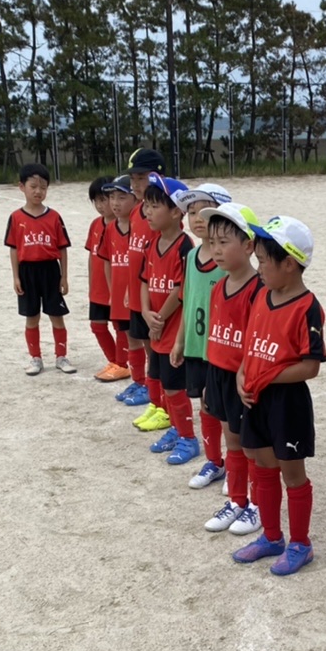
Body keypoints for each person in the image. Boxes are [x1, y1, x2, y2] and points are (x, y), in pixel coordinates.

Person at [232, 216, 325, 576]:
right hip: (255, 398)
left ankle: (301, 544)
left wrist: (268, 376)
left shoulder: (307, 307)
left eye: (263, 262)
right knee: (262, 465)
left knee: (292, 472)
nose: (258, 269)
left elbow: (310, 366)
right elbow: (251, 344)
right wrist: (243, 373)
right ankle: (271, 536)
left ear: (289, 263)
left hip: (287, 403)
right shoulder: (262, 295)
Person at [198, 203, 264, 537]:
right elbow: (215, 335)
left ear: (249, 246)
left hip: (245, 380)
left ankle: (257, 505)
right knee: (232, 441)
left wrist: (248, 376)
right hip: (219, 375)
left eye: (225, 242)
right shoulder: (217, 288)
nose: (217, 249)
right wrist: (209, 379)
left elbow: (259, 341)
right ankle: (238, 501)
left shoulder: (259, 290)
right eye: (213, 242)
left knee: (251, 446)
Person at [171, 182, 232, 489]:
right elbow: (188, 301)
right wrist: (180, 341)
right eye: (191, 212)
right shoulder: (192, 256)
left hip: (222, 351)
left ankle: (235, 466)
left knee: (226, 412)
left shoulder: (229, 263)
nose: (196, 218)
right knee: (205, 406)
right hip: (197, 348)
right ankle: (214, 461)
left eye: (204, 211)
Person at [137, 172, 199, 463]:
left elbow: (180, 289)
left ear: (176, 212)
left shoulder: (184, 246)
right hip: (156, 327)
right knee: (160, 382)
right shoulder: (152, 244)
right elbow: (144, 281)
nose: (147, 212)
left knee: (175, 387)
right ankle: (176, 428)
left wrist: (159, 318)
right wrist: (146, 313)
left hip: (173, 331)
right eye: (146, 205)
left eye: (154, 206)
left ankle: (188, 438)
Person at [5, 163, 74, 374]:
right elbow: (14, 249)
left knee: (56, 315)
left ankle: (61, 356)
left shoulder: (54, 217)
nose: (38, 191)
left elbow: (62, 248)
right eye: (33, 186)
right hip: (27, 272)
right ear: (22, 187)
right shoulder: (16, 218)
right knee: (32, 316)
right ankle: (35, 358)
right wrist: (16, 277)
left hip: (50, 270)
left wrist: (64, 276)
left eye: (43, 187)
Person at [126, 147, 168, 424]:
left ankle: (164, 404)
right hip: (138, 293)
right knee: (145, 344)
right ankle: (155, 401)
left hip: (155, 297)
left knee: (158, 353)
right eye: (133, 178)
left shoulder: (161, 214)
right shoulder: (136, 211)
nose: (135, 184)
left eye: (141, 178)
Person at [84, 175, 127, 382]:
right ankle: (114, 361)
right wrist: (91, 283)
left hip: (118, 288)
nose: (102, 206)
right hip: (99, 288)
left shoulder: (124, 227)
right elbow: (92, 258)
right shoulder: (95, 225)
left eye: (105, 199)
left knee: (121, 328)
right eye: (97, 201)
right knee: (97, 326)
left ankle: (122, 364)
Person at [99, 176, 138, 398]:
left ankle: (145, 381)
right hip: (119, 293)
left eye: (122, 197)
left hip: (137, 295)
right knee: (125, 333)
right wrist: (111, 290)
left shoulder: (141, 227)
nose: (115, 203)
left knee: (141, 339)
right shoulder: (110, 228)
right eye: (112, 197)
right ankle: (136, 378)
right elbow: (107, 260)